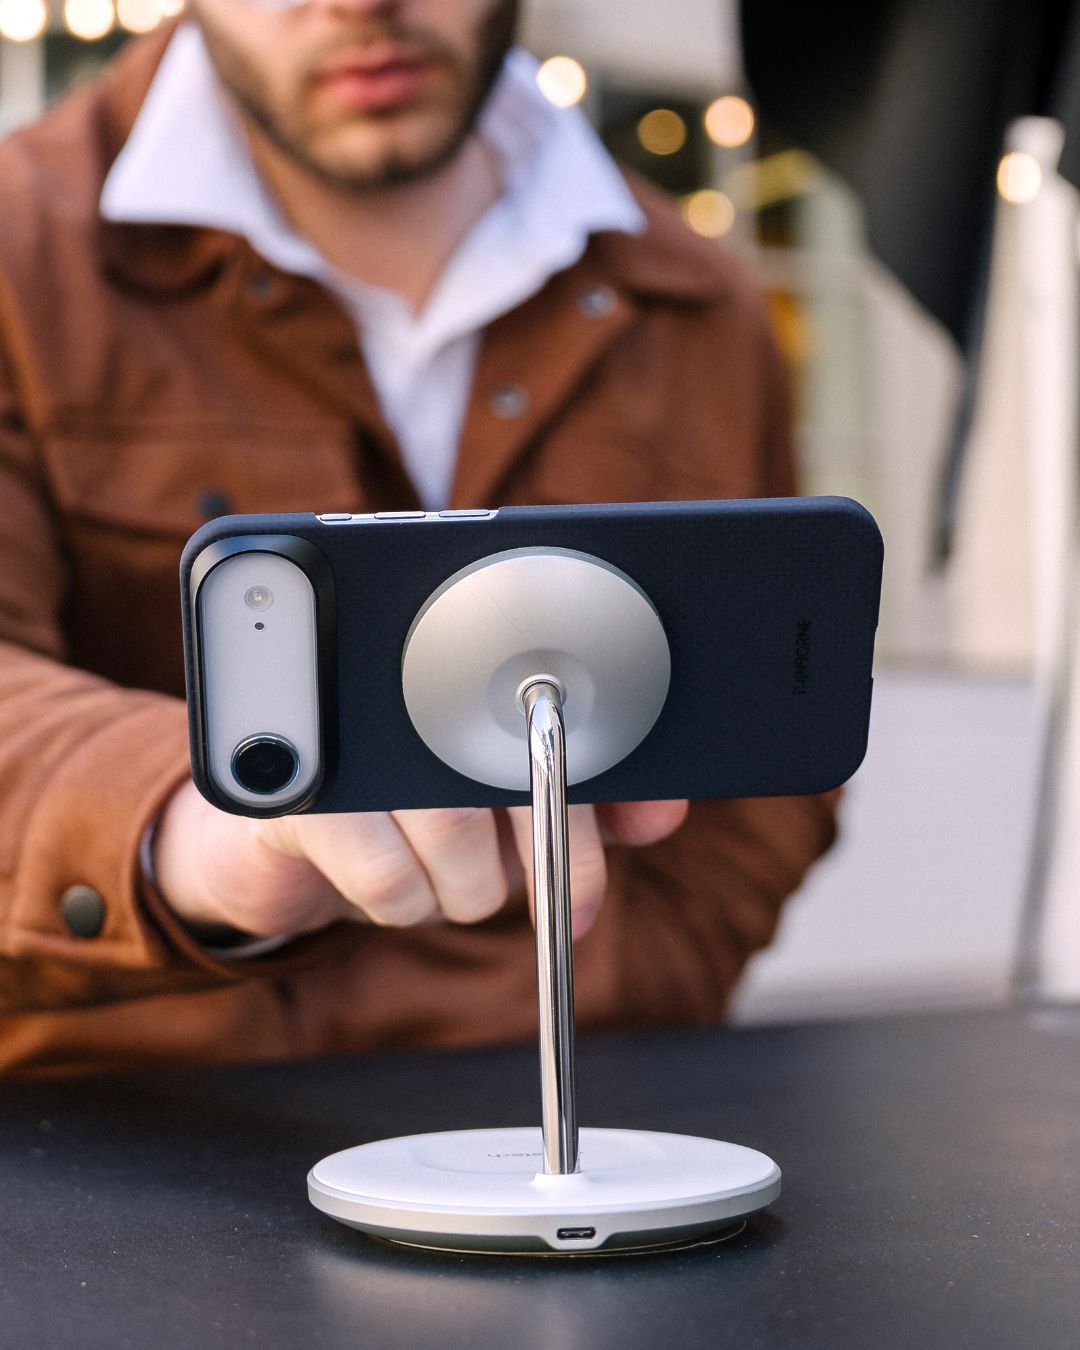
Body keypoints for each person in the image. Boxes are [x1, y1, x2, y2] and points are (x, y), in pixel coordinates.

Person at [0, 0, 838, 1077]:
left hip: (589, 1109)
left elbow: (779, 713)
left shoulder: (695, 301)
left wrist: (642, 971)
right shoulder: (22, 253)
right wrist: (191, 829)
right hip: (144, 1124)